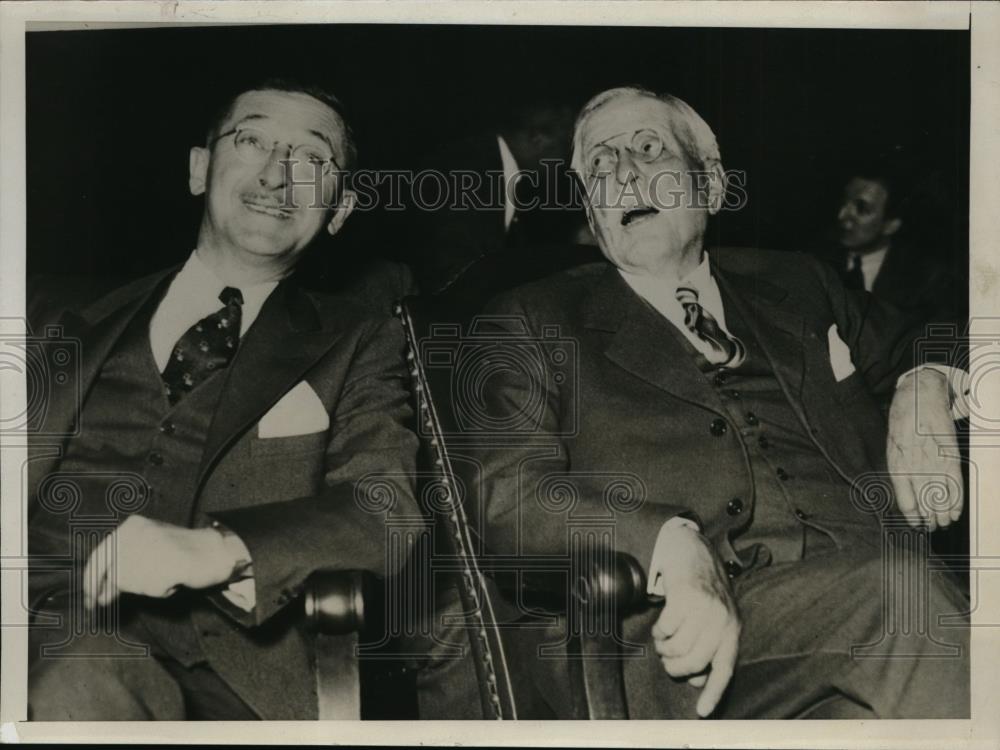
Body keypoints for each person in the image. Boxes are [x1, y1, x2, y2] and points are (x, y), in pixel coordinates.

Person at [470, 86, 970, 719]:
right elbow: (506, 497)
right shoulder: (530, 320)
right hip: (686, 640)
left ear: (710, 184)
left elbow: (946, 339)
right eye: (599, 164)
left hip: (877, 619)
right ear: (592, 215)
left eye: (647, 148)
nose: (622, 174)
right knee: (906, 606)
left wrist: (925, 383)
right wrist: (666, 543)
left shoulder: (799, 282)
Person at [27, 80, 420, 720]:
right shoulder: (44, 310)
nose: (276, 174)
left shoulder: (359, 344)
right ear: (199, 169)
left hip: (208, 676)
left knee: (81, 673)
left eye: (311, 157)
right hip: (21, 625)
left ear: (341, 209)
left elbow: (386, 510)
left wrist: (219, 548)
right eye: (252, 140)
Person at [820, 157, 964, 328]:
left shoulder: (929, 280)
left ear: (890, 225)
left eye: (861, 209)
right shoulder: (817, 260)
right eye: (844, 202)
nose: (842, 215)